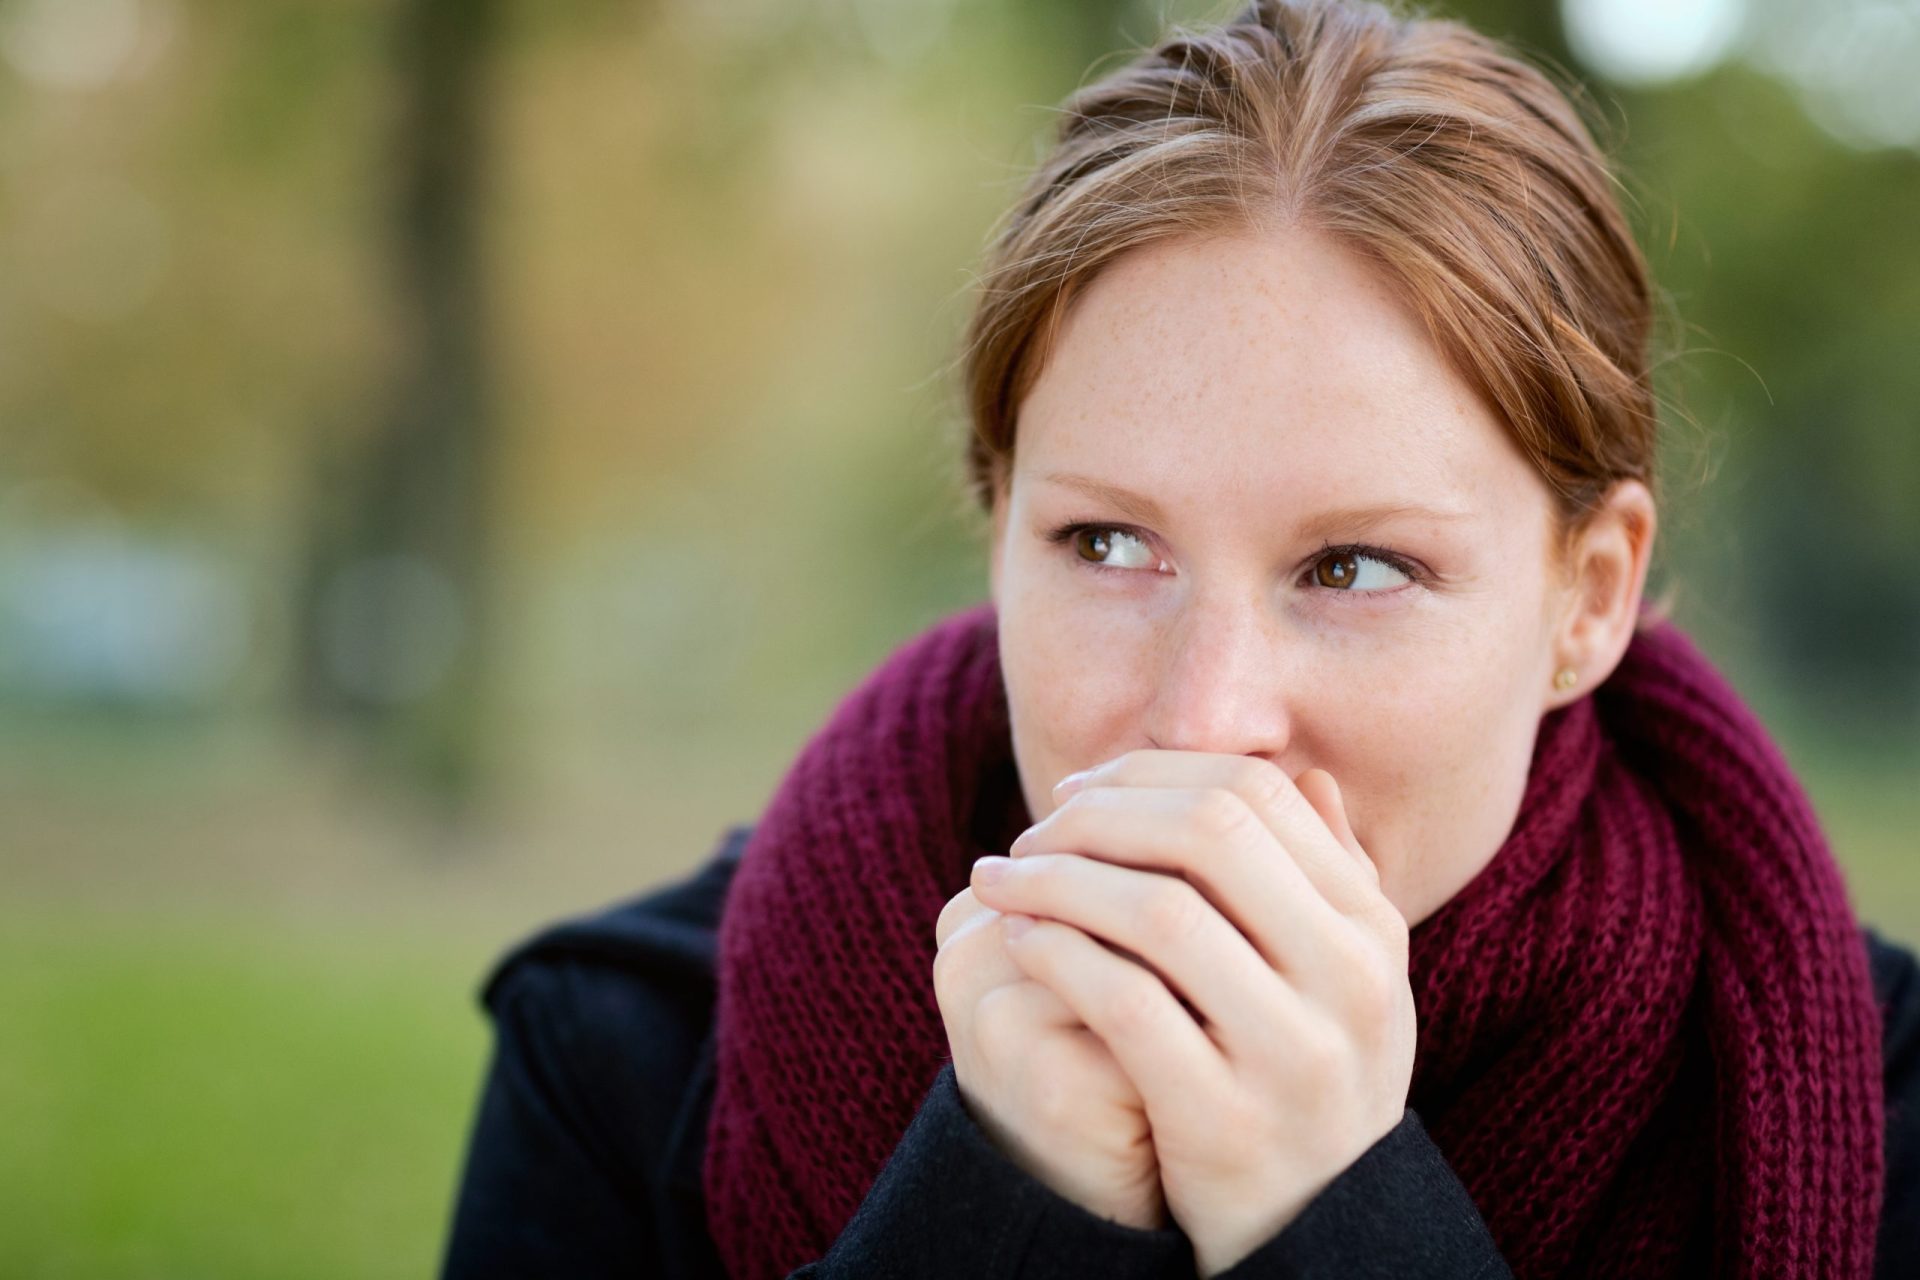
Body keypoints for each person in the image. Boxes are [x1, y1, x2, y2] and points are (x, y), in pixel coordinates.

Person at [439, 1, 1920, 1276]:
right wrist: (999, 1197)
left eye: (1355, 566)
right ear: (998, 519)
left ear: (1586, 598)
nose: (1207, 722)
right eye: (1107, 544)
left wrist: (1341, 1216)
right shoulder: (619, 1063)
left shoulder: (1884, 1105)